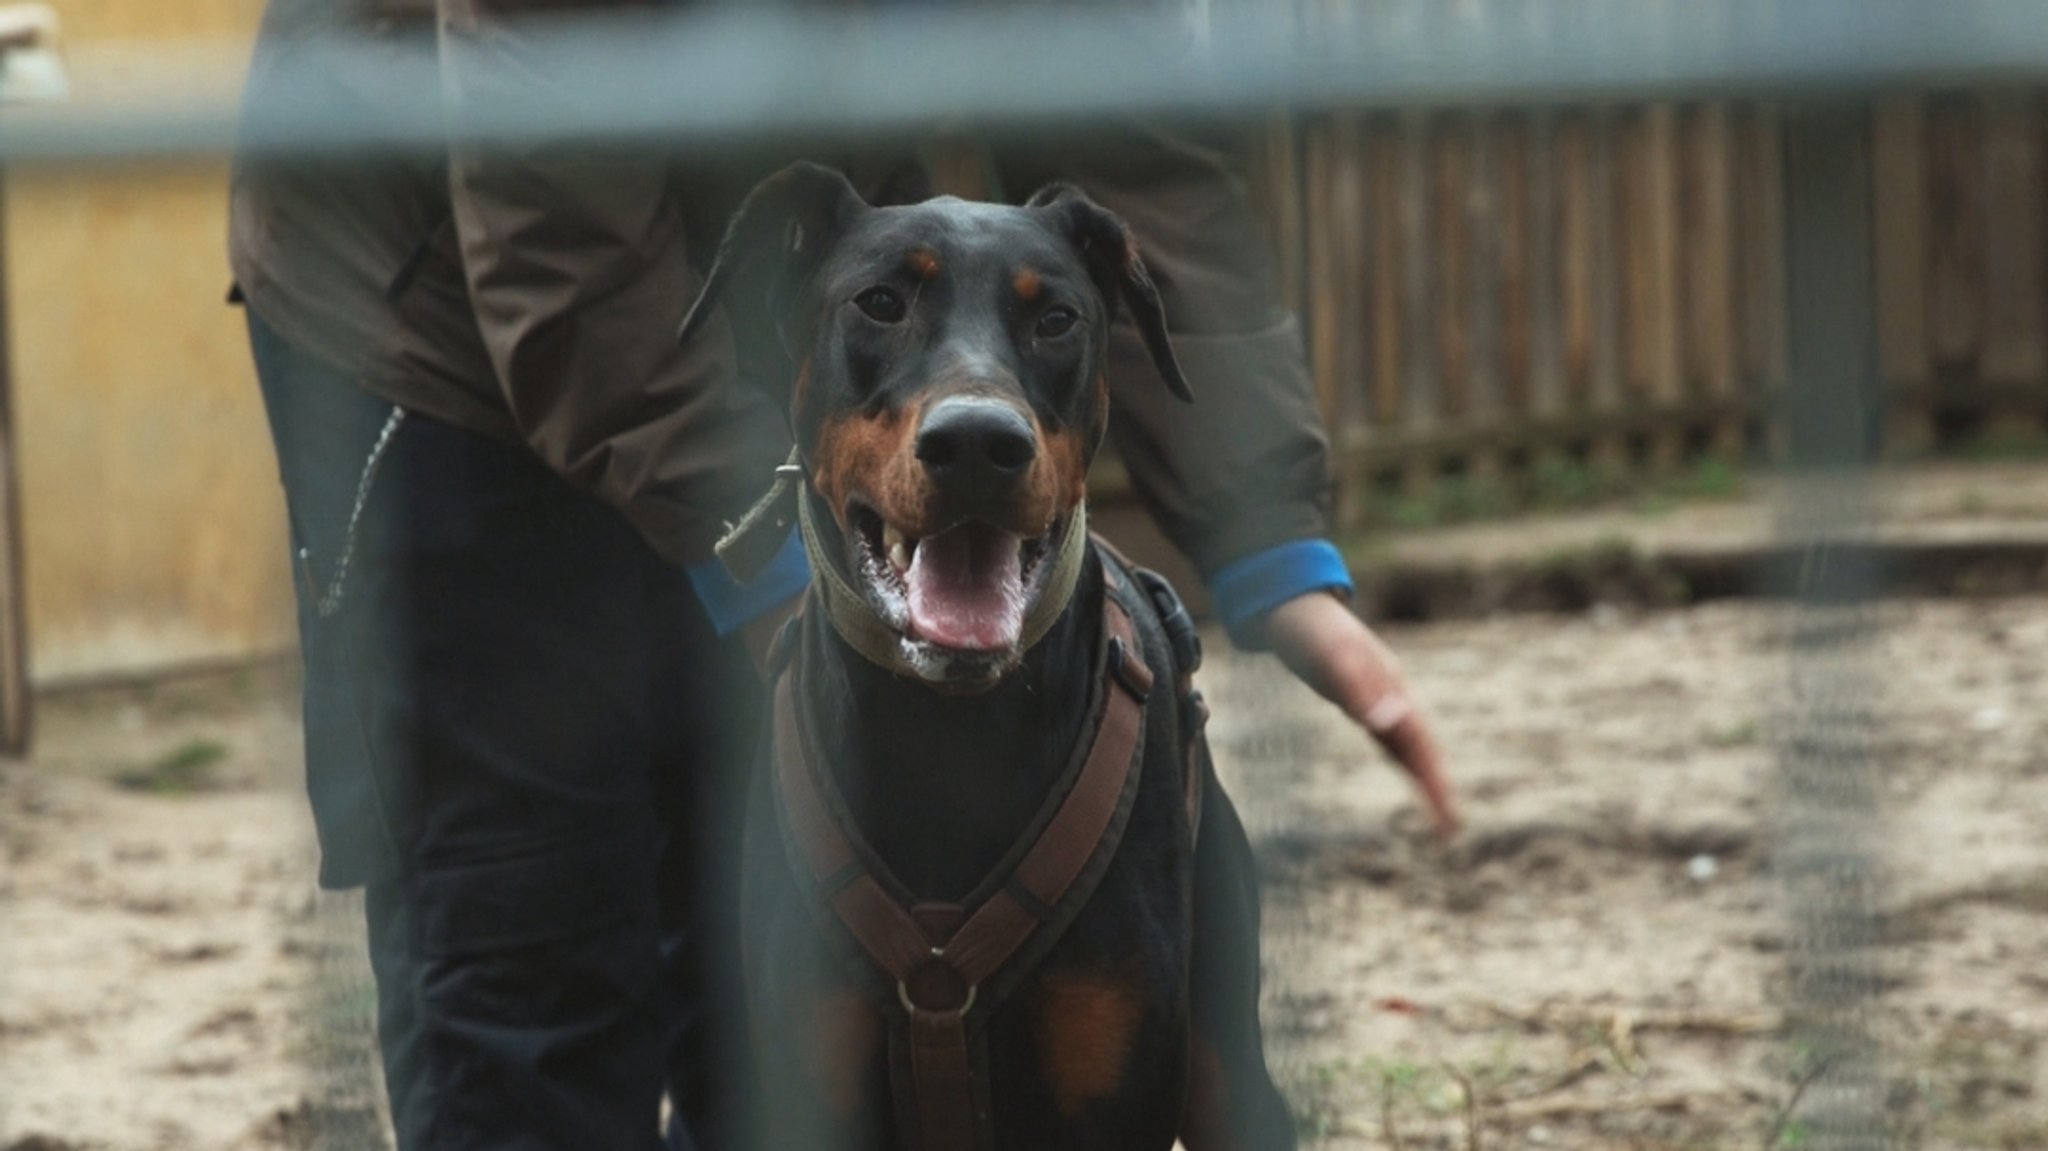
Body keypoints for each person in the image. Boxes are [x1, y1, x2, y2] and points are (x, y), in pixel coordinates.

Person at [231, 2, 1455, 1148]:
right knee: (529, 932)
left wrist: (1272, 545)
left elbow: (1118, 110)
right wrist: (777, 567)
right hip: (433, 303)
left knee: (760, 929)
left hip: (805, 293)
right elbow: (557, 246)